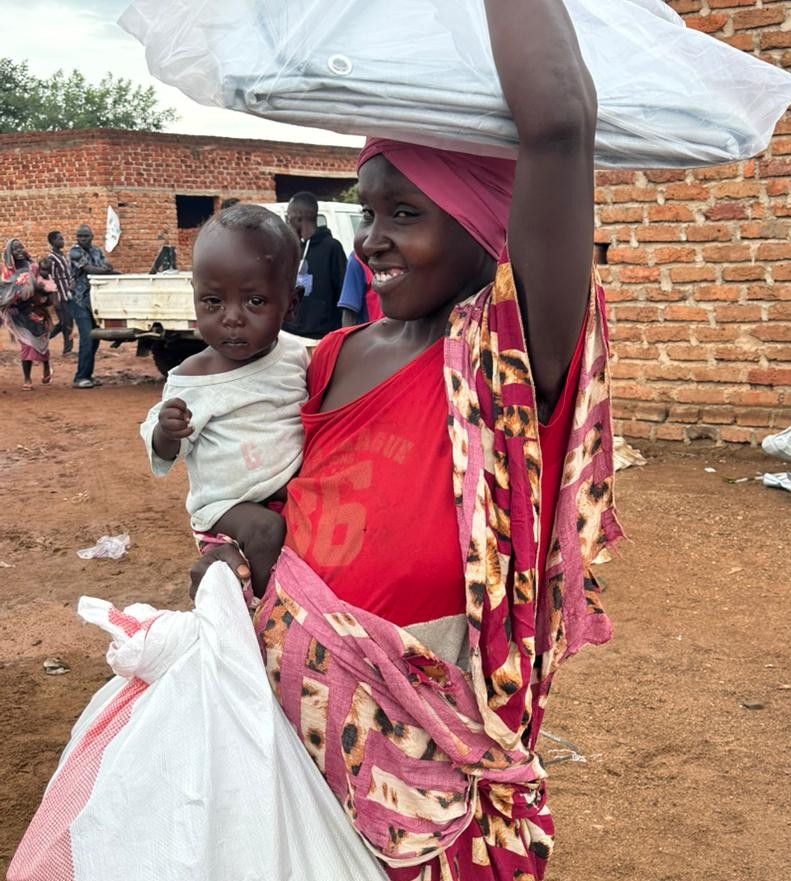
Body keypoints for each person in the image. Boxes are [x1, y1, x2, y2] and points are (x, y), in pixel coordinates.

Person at [192, 4, 622, 879]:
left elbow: (557, 124)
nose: (372, 239)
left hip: (427, 748)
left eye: (404, 213)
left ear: (485, 222)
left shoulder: (508, 362)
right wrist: (228, 553)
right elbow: (262, 487)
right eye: (366, 211)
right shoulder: (330, 356)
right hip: (290, 725)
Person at [140, 204, 308, 599]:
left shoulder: (295, 355)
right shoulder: (193, 377)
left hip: (282, 491)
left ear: (291, 303)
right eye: (213, 302)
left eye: (255, 302)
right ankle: (264, 616)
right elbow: (164, 450)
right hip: (227, 507)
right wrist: (168, 431)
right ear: (195, 295)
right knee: (266, 530)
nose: (231, 318)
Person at [282, 191, 347, 339]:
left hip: (319, 335)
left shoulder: (332, 247)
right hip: (289, 332)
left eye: (289, 216)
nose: (288, 220)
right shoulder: (291, 247)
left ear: (298, 216)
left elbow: (342, 293)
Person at [0, 239, 56, 389]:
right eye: (15, 249)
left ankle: (46, 367)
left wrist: (44, 290)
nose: (19, 251)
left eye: (21, 248)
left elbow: (43, 283)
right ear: (9, 253)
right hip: (16, 313)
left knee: (41, 339)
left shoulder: (33, 268)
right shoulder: (4, 271)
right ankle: (27, 379)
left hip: (33, 309)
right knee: (26, 343)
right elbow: (3, 291)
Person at [69, 224, 114, 389]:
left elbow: (105, 265)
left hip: (94, 300)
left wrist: (108, 268)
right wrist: (107, 271)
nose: (82, 239)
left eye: (85, 236)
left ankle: (87, 375)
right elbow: (89, 269)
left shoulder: (96, 251)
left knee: (94, 340)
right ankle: (80, 377)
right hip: (79, 300)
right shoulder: (75, 252)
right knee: (87, 338)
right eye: (79, 236)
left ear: (92, 237)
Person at [338, 250, 384, 326]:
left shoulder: (401, 255)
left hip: (399, 329)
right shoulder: (357, 260)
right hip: (373, 329)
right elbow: (349, 313)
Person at [46, 230, 73, 355]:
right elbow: (50, 278)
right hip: (59, 295)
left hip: (67, 294)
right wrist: (54, 298)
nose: (62, 241)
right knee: (66, 323)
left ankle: (42, 338)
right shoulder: (51, 258)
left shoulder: (62, 255)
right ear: (52, 241)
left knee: (65, 322)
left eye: (62, 238)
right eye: (59, 239)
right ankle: (67, 350)